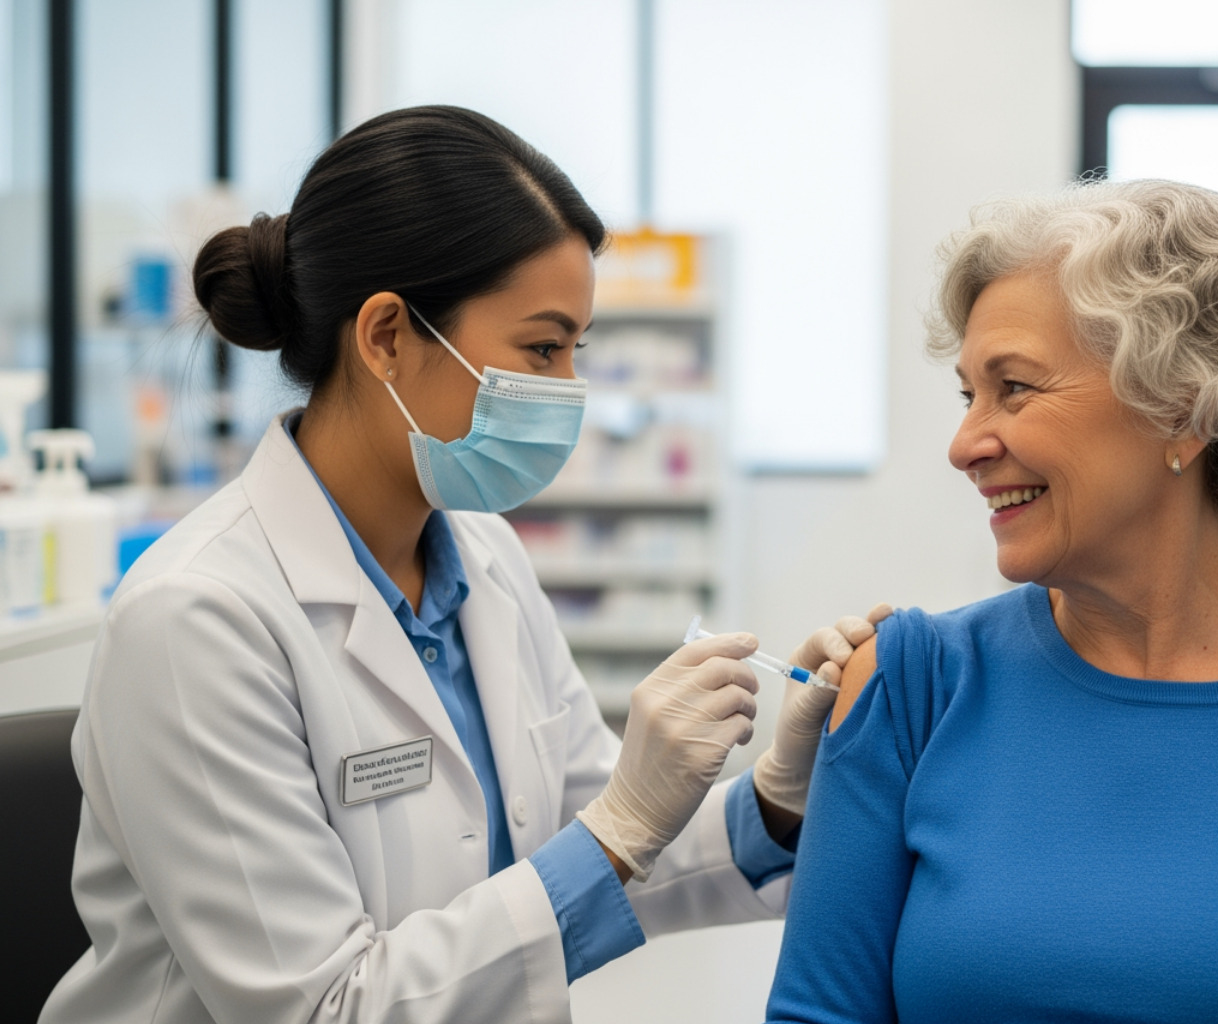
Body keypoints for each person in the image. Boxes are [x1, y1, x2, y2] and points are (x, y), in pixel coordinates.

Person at [42, 105, 886, 1024]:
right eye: (541, 348)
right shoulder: (196, 619)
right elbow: (326, 1009)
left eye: (575, 351)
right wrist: (619, 829)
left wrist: (772, 803)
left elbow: (588, 837)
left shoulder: (482, 558)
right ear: (386, 337)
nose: (568, 391)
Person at [765, 179, 1218, 1023]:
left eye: (1015, 387)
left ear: (1184, 406)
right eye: (969, 395)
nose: (965, 444)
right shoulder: (912, 688)